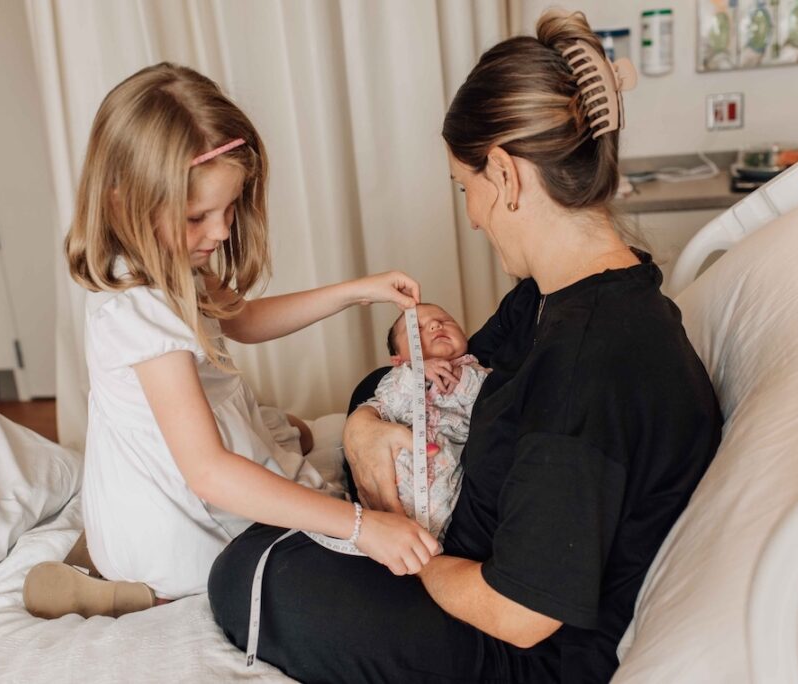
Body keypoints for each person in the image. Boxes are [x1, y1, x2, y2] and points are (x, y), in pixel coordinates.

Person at [208, 9, 723, 683]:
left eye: (466, 189)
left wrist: (408, 550)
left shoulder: (589, 366)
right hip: (469, 549)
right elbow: (436, 374)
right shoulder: (554, 301)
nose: (473, 216)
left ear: (506, 176)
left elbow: (520, 612)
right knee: (275, 538)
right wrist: (364, 429)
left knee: (247, 572)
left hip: (520, 647)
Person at [23, 62, 439, 620]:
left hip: (184, 447)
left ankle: (105, 557)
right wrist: (362, 528)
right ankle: (141, 587)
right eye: (199, 216)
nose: (220, 232)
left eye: (229, 209)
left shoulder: (167, 255)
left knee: (285, 429)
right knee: (296, 506)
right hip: (168, 529)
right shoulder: (139, 309)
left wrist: (356, 291)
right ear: (124, 201)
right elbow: (210, 473)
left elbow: (241, 319)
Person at [366, 303, 489, 540]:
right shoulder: (398, 377)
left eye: (446, 320)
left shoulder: (475, 371)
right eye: (418, 327)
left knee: (434, 536)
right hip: (396, 474)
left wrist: (461, 376)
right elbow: (389, 401)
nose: (435, 325)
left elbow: (486, 402)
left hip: (448, 475)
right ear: (398, 359)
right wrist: (417, 371)